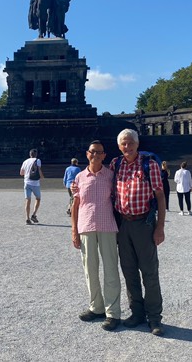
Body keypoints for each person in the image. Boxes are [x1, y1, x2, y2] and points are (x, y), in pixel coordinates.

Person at [110, 129, 166, 336]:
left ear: (137, 143)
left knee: (149, 272)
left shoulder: (149, 164)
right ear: (119, 146)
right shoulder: (115, 165)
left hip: (144, 223)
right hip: (123, 224)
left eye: (131, 142)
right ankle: (137, 312)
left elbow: (160, 196)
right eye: (124, 143)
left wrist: (160, 227)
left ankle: (154, 317)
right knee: (129, 271)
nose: (127, 146)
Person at [70, 140, 121, 331]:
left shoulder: (111, 176)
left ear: (104, 155)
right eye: (93, 152)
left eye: (99, 152)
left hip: (107, 226)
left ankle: (113, 312)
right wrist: (74, 231)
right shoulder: (80, 178)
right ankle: (96, 307)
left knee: (111, 270)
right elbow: (75, 206)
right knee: (90, 271)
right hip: (86, 226)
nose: (96, 155)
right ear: (87, 154)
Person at [20, 148, 44, 225]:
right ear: (36, 154)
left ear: (30, 154)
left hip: (26, 182)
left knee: (28, 200)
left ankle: (27, 218)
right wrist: (42, 176)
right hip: (35, 183)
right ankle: (33, 214)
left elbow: (21, 173)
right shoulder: (38, 160)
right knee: (38, 198)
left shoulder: (25, 161)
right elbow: (39, 169)